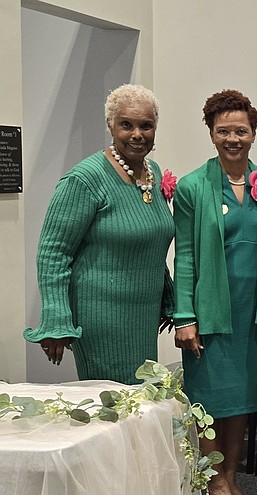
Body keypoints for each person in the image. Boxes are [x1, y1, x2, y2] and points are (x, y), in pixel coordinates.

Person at [172, 90, 257, 495]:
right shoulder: (191, 187)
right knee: (209, 402)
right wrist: (185, 316)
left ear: (253, 133)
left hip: (253, 312)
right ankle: (213, 485)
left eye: (241, 130)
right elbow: (184, 255)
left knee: (241, 401)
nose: (233, 138)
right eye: (224, 131)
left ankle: (232, 479)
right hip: (210, 313)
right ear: (211, 133)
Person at [25, 84, 174, 384]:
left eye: (146, 126)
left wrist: (169, 296)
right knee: (115, 406)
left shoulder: (152, 172)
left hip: (144, 316)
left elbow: (151, 242)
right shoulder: (85, 179)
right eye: (126, 125)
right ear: (110, 125)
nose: (137, 134)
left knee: (142, 401)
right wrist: (57, 319)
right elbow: (53, 252)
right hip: (102, 318)